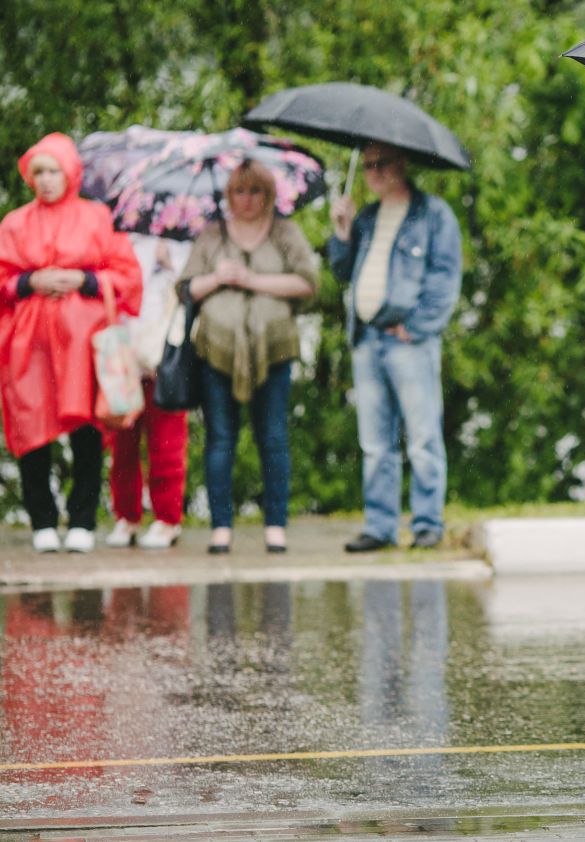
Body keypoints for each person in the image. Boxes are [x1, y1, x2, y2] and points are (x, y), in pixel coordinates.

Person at [0, 132, 141, 553]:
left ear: (71, 173)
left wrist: (85, 279)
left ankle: (82, 519)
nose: (44, 180)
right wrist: (29, 281)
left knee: (87, 428)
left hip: (84, 346)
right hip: (29, 345)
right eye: (37, 172)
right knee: (31, 426)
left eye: (52, 170)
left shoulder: (97, 218)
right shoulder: (14, 224)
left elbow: (128, 276)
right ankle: (41, 519)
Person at [177, 159, 318, 554]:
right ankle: (221, 526)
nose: (248, 199)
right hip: (216, 349)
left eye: (256, 190)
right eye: (240, 191)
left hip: (273, 348)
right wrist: (218, 277)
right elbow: (185, 289)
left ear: (269, 194)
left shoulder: (285, 232)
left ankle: (276, 525)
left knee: (272, 436)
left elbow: (308, 284)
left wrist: (253, 280)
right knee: (220, 437)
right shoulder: (212, 234)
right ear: (228, 195)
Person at [328, 143, 462, 552]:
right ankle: (380, 526)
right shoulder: (366, 217)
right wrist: (341, 230)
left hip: (407, 340)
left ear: (401, 162)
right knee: (374, 442)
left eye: (381, 163)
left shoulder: (434, 213)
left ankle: (426, 524)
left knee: (421, 436)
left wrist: (418, 325)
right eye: (367, 165)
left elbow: (446, 276)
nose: (373, 172)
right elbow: (340, 270)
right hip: (366, 339)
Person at [106, 235, 193, 549]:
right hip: (124, 354)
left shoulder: (182, 244)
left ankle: (167, 518)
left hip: (165, 355)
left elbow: (191, 294)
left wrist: (171, 265)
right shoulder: (120, 241)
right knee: (122, 443)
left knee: (167, 442)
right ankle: (126, 515)